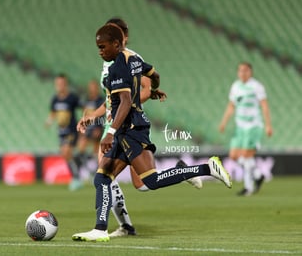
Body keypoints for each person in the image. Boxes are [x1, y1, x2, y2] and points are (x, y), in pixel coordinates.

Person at [72, 24, 232, 242]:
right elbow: (153, 74)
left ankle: (206, 168)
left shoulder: (117, 66)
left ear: (117, 43)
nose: (100, 51)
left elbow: (125, 102)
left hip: (129, 129)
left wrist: (110, 132)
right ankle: (101, 229)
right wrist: (153, 89)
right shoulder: (133, 59)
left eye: (102, 47)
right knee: (102, 177)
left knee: (149, 182)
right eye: (98, 47)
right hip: (129, 127)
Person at [219, 62, 273, 196]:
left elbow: (264, 106)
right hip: (240, 127)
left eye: (246, 70)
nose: (243, 73)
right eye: (241, 71)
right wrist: (223, 122)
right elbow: (231, 105)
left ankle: (248, 188)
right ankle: (258, 174)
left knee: (246, 156)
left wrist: (268, 125)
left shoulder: (256, 86)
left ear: (251, 72)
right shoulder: (236, 86)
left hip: (253, 126)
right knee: (233, 155)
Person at [45, 74, 83, 191]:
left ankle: (76, 178)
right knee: (65, 155)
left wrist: (84, 120)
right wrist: (49, 121)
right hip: (61, 131)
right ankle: (77, 173)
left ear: (65, 84)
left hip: (71, 130)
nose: (60, 85)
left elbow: (83, 107)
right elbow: (53, 112)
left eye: (62, 83)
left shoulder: (72, 97)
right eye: (58, 83)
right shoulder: (55, 99)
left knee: (67, 151)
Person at [76, 80, 104, 166]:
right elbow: (84, 113)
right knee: (81, 145)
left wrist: (99, 128)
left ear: (97, 88)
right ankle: (86, 165)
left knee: (96, 149)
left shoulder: (101, 100)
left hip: (97, 127)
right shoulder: (86, 100)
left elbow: (102, 115)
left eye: (94, 87)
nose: (92, 89)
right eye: (91, 87)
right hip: (88, 127)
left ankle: (96, 167)